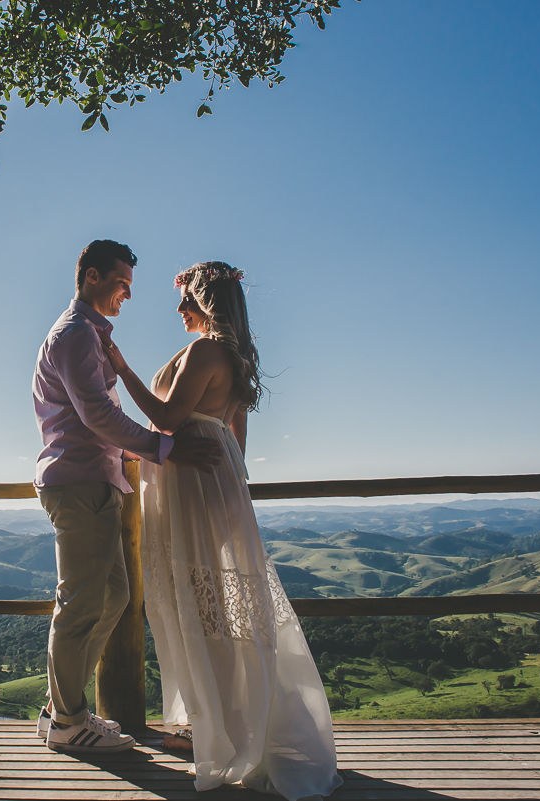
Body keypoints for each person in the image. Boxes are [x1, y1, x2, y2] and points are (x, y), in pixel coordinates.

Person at [103, 262, 342, 800]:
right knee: (208, 604)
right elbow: (238, 435)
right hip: (209, 485)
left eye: (184, 298)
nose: (178, 309)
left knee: (200, 603)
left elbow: (166, 418)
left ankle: (226, 731)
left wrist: (120, 366)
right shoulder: (230, 357)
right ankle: (222, 725)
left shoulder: (208, 351)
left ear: (203, 302)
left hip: (194, 488)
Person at [32, 240, 223, 754]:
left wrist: (132, 455)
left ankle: (61, 707)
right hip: (78, 482)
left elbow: (99, 422)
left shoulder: (90, 336)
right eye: (122, 284)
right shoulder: (74, 335)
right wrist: (165, 449)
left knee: (113, 597)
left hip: (96, 479)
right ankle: (69, 721)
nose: (127, 295)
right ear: (91, 277)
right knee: (79, 603)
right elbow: (98, 416)